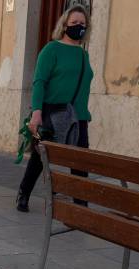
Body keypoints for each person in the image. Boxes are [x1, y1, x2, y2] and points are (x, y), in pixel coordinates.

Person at [16, 4, 94, 213]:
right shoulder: (52, 50)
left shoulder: (83, 55)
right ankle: (24, 193)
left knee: (80, 161)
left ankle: (81, 204)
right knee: (41, 157)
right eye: (74, 23)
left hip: (79, 117)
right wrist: (37, 112)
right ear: (64, 25)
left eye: (82, 24)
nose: (79, 27)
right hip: (52, 112)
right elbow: (39, 81)